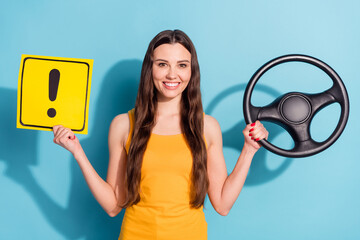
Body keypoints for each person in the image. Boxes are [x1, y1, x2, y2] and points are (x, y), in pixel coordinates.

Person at [52, 29, 268, 240]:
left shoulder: (207, 127)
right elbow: (113, 206)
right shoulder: (123, 125)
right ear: (150, 69)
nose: (172, 74)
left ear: (191, 71)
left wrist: (249, 150)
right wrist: (77, 151)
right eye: (162, 64)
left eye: (181, 65)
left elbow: (222, 204)